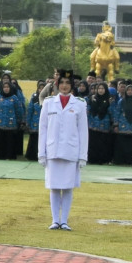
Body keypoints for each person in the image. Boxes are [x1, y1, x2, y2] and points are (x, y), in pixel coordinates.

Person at [39, 70, 88, 231]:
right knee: (54, 186)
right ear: (57, 85)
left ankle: (64, 220)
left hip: (71, 151)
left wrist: (82, 156)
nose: (65, 86)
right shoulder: (48, 102)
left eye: (68, 83)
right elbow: (43, 129)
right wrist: (41, 153)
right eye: (62, 83)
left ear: (72, 85)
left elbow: (83, 131)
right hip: (53, 150)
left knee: (67, 187)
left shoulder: (79, 104)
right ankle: (55, 220)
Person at [0, 80, 26, 160]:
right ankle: (0, 156)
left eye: (7, 87)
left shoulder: (14, 98)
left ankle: (10, 156)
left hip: (11, 123)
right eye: (4, 87)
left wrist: (20, 121)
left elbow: (18, 110)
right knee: (0, 140)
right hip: (0, 122)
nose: (6, 89)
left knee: (10, 141)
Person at [111, 82, 132, 166]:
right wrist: (116, 125)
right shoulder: (121, 101)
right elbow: (117, 113)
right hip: (123, 126)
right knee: (122, 144)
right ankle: (120, 161)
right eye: (128, 90)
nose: (130, 92)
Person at [86, 82, 115, 164]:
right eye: (99, 88)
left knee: (103, 143)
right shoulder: (92, 98)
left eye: (102, 88)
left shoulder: (109, 99)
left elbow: (111, 112)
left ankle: (102, 160)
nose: (101, 90)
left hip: (104, 124)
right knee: (92, 142)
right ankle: (91, 159)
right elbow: (88, 109)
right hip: (92, 123)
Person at [24, 90, 42, 161]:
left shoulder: (48, 100)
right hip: (34, 122)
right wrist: (28, 123)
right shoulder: (34, 100)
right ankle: (31, 155)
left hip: (44, 124)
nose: (41, 90)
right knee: (33, 139)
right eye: (40, 88)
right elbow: (30, 111)